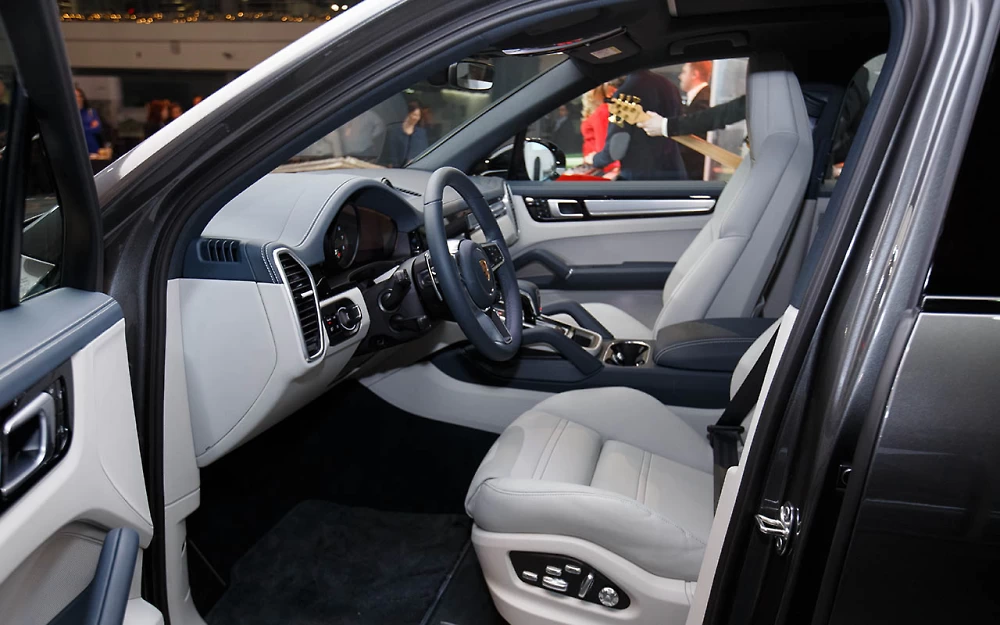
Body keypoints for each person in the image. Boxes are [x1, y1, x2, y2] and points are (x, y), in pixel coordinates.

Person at [585, 70, 686, 180]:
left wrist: (595, 159)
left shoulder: (626, 92)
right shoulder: (670, 86)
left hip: (641, 178)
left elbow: (617, 147)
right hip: (675, 172)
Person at [677, 61, 713, 179]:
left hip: (697, 170)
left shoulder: (703, 100)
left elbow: (697, 135)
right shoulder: (702, 97)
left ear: (694, 74)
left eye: (684, 72)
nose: (680, 76)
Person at [580, 82, 620, 175]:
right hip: (595, 168)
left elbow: (603, 148)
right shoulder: (600, 110)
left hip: (601, 170)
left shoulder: (603, 111)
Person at [385, 100, 429, 167]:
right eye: (414, 115)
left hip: (415, 167)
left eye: (418, 116)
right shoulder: (394, 132)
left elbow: (423, 151)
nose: (416, 118)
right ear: (408, 114)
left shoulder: (421, 133)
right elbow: (391, 152)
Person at [76, 87, 104, 156]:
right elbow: (74, 131)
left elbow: (97, 129)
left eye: (80, 96)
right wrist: (89, 126)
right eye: (75, 96)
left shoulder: (90, 112)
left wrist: (82, 128)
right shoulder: (70, 115)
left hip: (92, 149)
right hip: (77, 149)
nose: (78, 99)